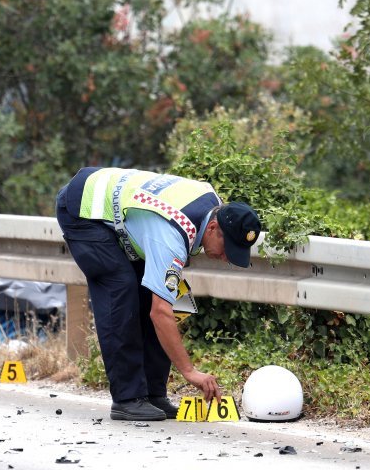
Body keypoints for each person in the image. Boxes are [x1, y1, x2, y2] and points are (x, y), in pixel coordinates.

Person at [56, 167, 262, 421]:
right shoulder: (171, 236)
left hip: (126, 215)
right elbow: (161, 313)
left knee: (150, 291)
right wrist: (189, 371)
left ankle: (153, 394)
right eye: (226, 248)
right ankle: (127, 398)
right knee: (121, 289)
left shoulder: (214, 206)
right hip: (83, 208)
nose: (226, 258)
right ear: (212, 228)